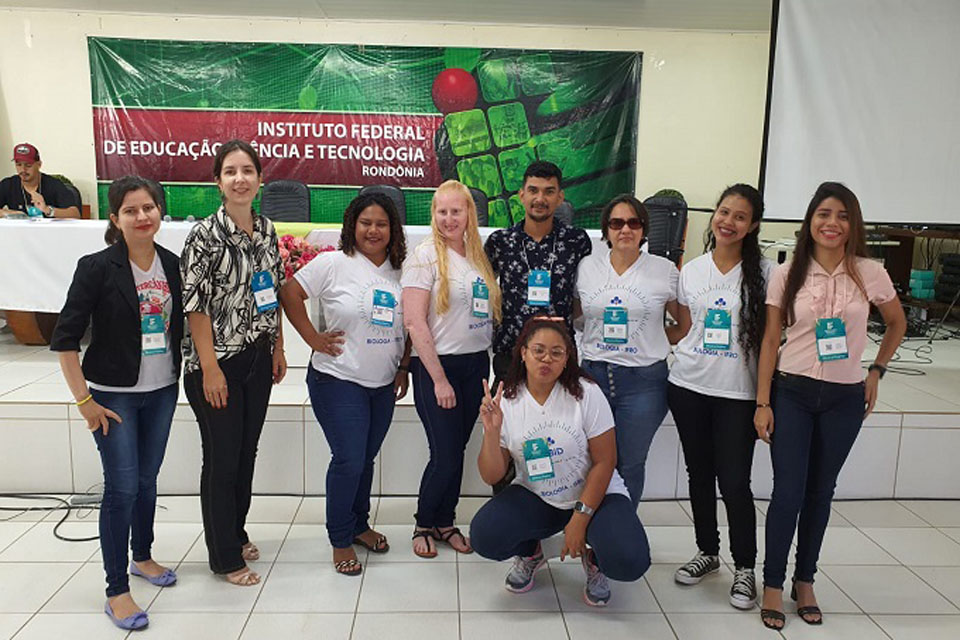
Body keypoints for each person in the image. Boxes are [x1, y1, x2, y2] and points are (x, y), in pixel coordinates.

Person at [755, 182, 906, 630]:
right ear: (810, 220)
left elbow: (896, 323)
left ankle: (806, 580)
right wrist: (763, 401)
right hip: (793, 392)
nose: (832, 223)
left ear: (852, 223)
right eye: (823, 214)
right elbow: (769, 340)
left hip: (844, 397)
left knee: (821, 492)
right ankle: (772, 585)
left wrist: (876, 370)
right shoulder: (788, 272)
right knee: (788, 493)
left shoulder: (870, 271)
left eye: (842, 215)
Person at [50, 176, 183, 630]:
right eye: (131, 210)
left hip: (162, 389)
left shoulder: (172, 264)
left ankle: (141, 556)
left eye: (149, 208)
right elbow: (64, 340)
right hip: (113, 397)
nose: (142, 216)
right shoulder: (96, 267)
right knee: (122, 488)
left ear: (159, 212)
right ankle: (116, 590)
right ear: (115, 218)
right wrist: (84, 400)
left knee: (147, 482)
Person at [469, 317, 651, 607]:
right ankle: (532, 553)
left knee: (629, 561)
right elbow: (492, 475)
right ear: (523, 353)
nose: (546, 358)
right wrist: (491, 433)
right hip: (538, 496)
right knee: (485, 536)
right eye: (538, 350)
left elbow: (606, 461)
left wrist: (580, 518)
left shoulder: (586, 393)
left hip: (596, 496)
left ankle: (596, 560)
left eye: (557, 352)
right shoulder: (507, 401)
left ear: (567, 359)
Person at [279, 192, 409, 576]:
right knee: (349, 458)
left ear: (392, 230)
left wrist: (403, 367)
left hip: (383, 384)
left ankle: (358, 525)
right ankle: (340, 539)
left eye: (381, 224)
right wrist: (312, 339)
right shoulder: (334, 263)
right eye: (365, 222)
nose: (373, 230)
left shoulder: (401, 270)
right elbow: (289, 293)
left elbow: (411, 324)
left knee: (364, 459)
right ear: (352, 224)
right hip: (338, 379)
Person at [180, 139, 287, 587]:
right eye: (230, 171)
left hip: (256, 358)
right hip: (215, 365)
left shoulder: (266, 230)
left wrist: (278, 347)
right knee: (222, 460)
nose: (240, 179)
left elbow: (272, 292)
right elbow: (195, 307)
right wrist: (211, 369)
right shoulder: (203, 235)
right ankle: (224, 557)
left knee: (246, 454)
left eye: (248, 171)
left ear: (260, 179)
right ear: (218, 181)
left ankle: (236, 531)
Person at [666, 184, 774, 610]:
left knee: (733, 481)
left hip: (737, 393)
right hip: (689, 385)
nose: (728, 222)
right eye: (723, 212)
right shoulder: (691, 270)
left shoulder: (766, 273)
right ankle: (707, 552)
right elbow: (685, 329)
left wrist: (763, 400)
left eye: (740, 216)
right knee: (698, 475)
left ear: (753, 225)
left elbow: (770, 340)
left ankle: (745, 566)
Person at [401, 180, 502, 558]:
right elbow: (414, 322)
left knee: (456, 450)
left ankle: (446, 521)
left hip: (475, 365)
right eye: (441, 212)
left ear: (469, 214)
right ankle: (423, 523)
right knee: (444, 454)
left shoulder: (478, 257)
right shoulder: (424, 256)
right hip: (436, 367)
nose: (448, 219)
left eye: (455, 211)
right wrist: (438, 378)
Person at [575, 195, 680, 506]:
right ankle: (591, 531)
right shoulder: (587, 267)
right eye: (616, 223)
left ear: (644, 229)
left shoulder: (664, 270)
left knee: (630, 463)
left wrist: (648, 341)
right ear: (606, 230)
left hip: (644, 383)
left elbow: (683, 325)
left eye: (633, 223)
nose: (625, 229)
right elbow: (578, 315)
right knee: (593, 460)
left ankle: (622, 534)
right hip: (593, 377)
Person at [484, 161, 591, 386]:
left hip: (558, 354)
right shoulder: (500, 242)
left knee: (560, 421)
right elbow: (482, 290)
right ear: (521, 195)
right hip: (510, 353)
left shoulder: (576, 241)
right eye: (533, 190)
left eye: (549, 192)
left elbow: (584, 294)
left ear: (560, 197)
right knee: (505, 419)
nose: (540, 199)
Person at [0, 143, 81, 218]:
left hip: (50, 232)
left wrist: (48, 210)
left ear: (39, 164)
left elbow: (75, 214)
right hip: (18, 233)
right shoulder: (8, 184)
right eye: (19, 165)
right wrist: (8, 213)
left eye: (28, 165)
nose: (23, 170)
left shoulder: (54, 185)